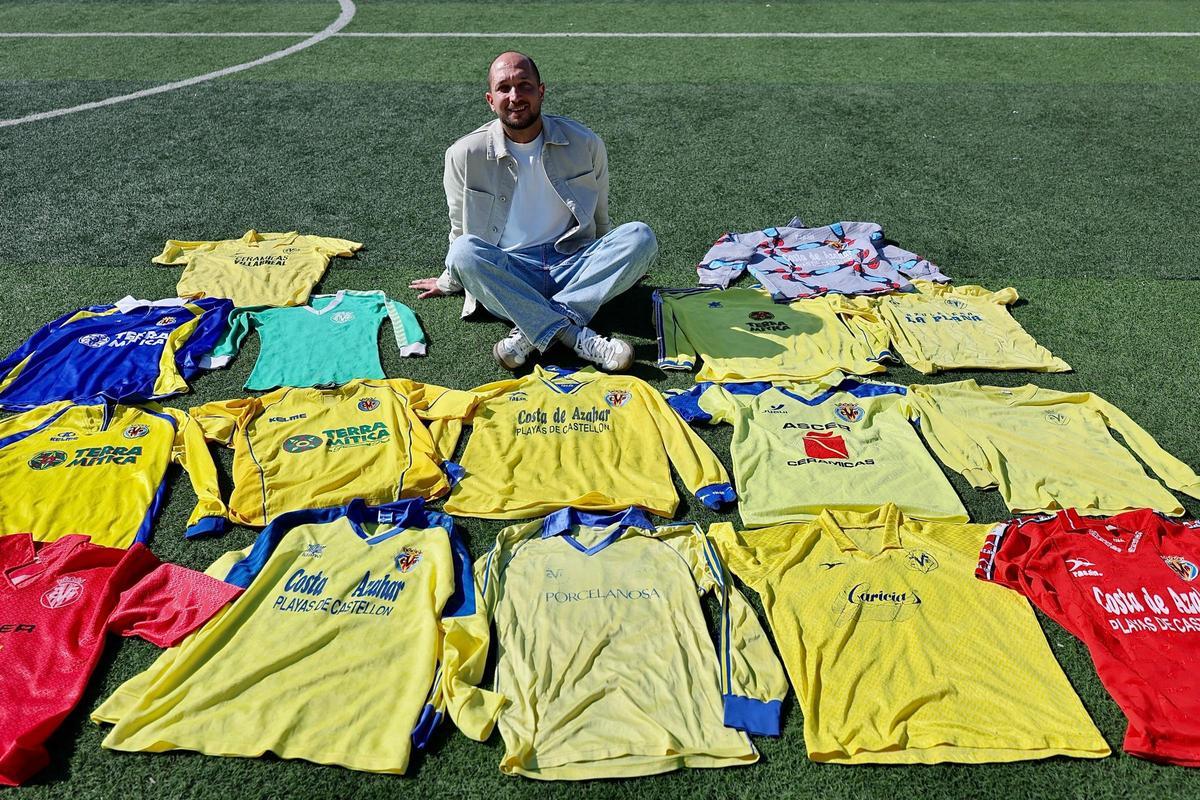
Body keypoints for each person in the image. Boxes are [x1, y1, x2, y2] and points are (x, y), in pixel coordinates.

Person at [409, 51, 658, 372]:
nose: (515, 97)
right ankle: (573, 333)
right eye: (504, 88)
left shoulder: (584, 142)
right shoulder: (463, 154)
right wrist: (450, 279)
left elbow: (600, 219)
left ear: (541, 91)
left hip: (572, 265)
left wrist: (616, 266)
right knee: (462, 253)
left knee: (640, 236)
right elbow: (460, 229)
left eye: (524, 85)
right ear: (490, 99)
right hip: (512, 275)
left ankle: (531, 331)